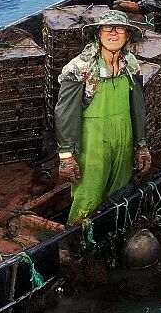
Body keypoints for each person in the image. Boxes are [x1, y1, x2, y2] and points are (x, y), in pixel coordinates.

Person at [55, 11, 153, 223]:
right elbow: (65, 112)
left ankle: (111, 232)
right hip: (93, 145)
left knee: (120, 191)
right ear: (98, 34)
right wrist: (66, 157)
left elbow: (138, 106)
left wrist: (141, 145)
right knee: (88, 195)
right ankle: (75, 241)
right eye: (107, 28)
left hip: (124, 139)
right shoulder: (79, 67)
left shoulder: (131, 65)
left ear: (127, 35)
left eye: (120, 29)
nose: (113, 33)